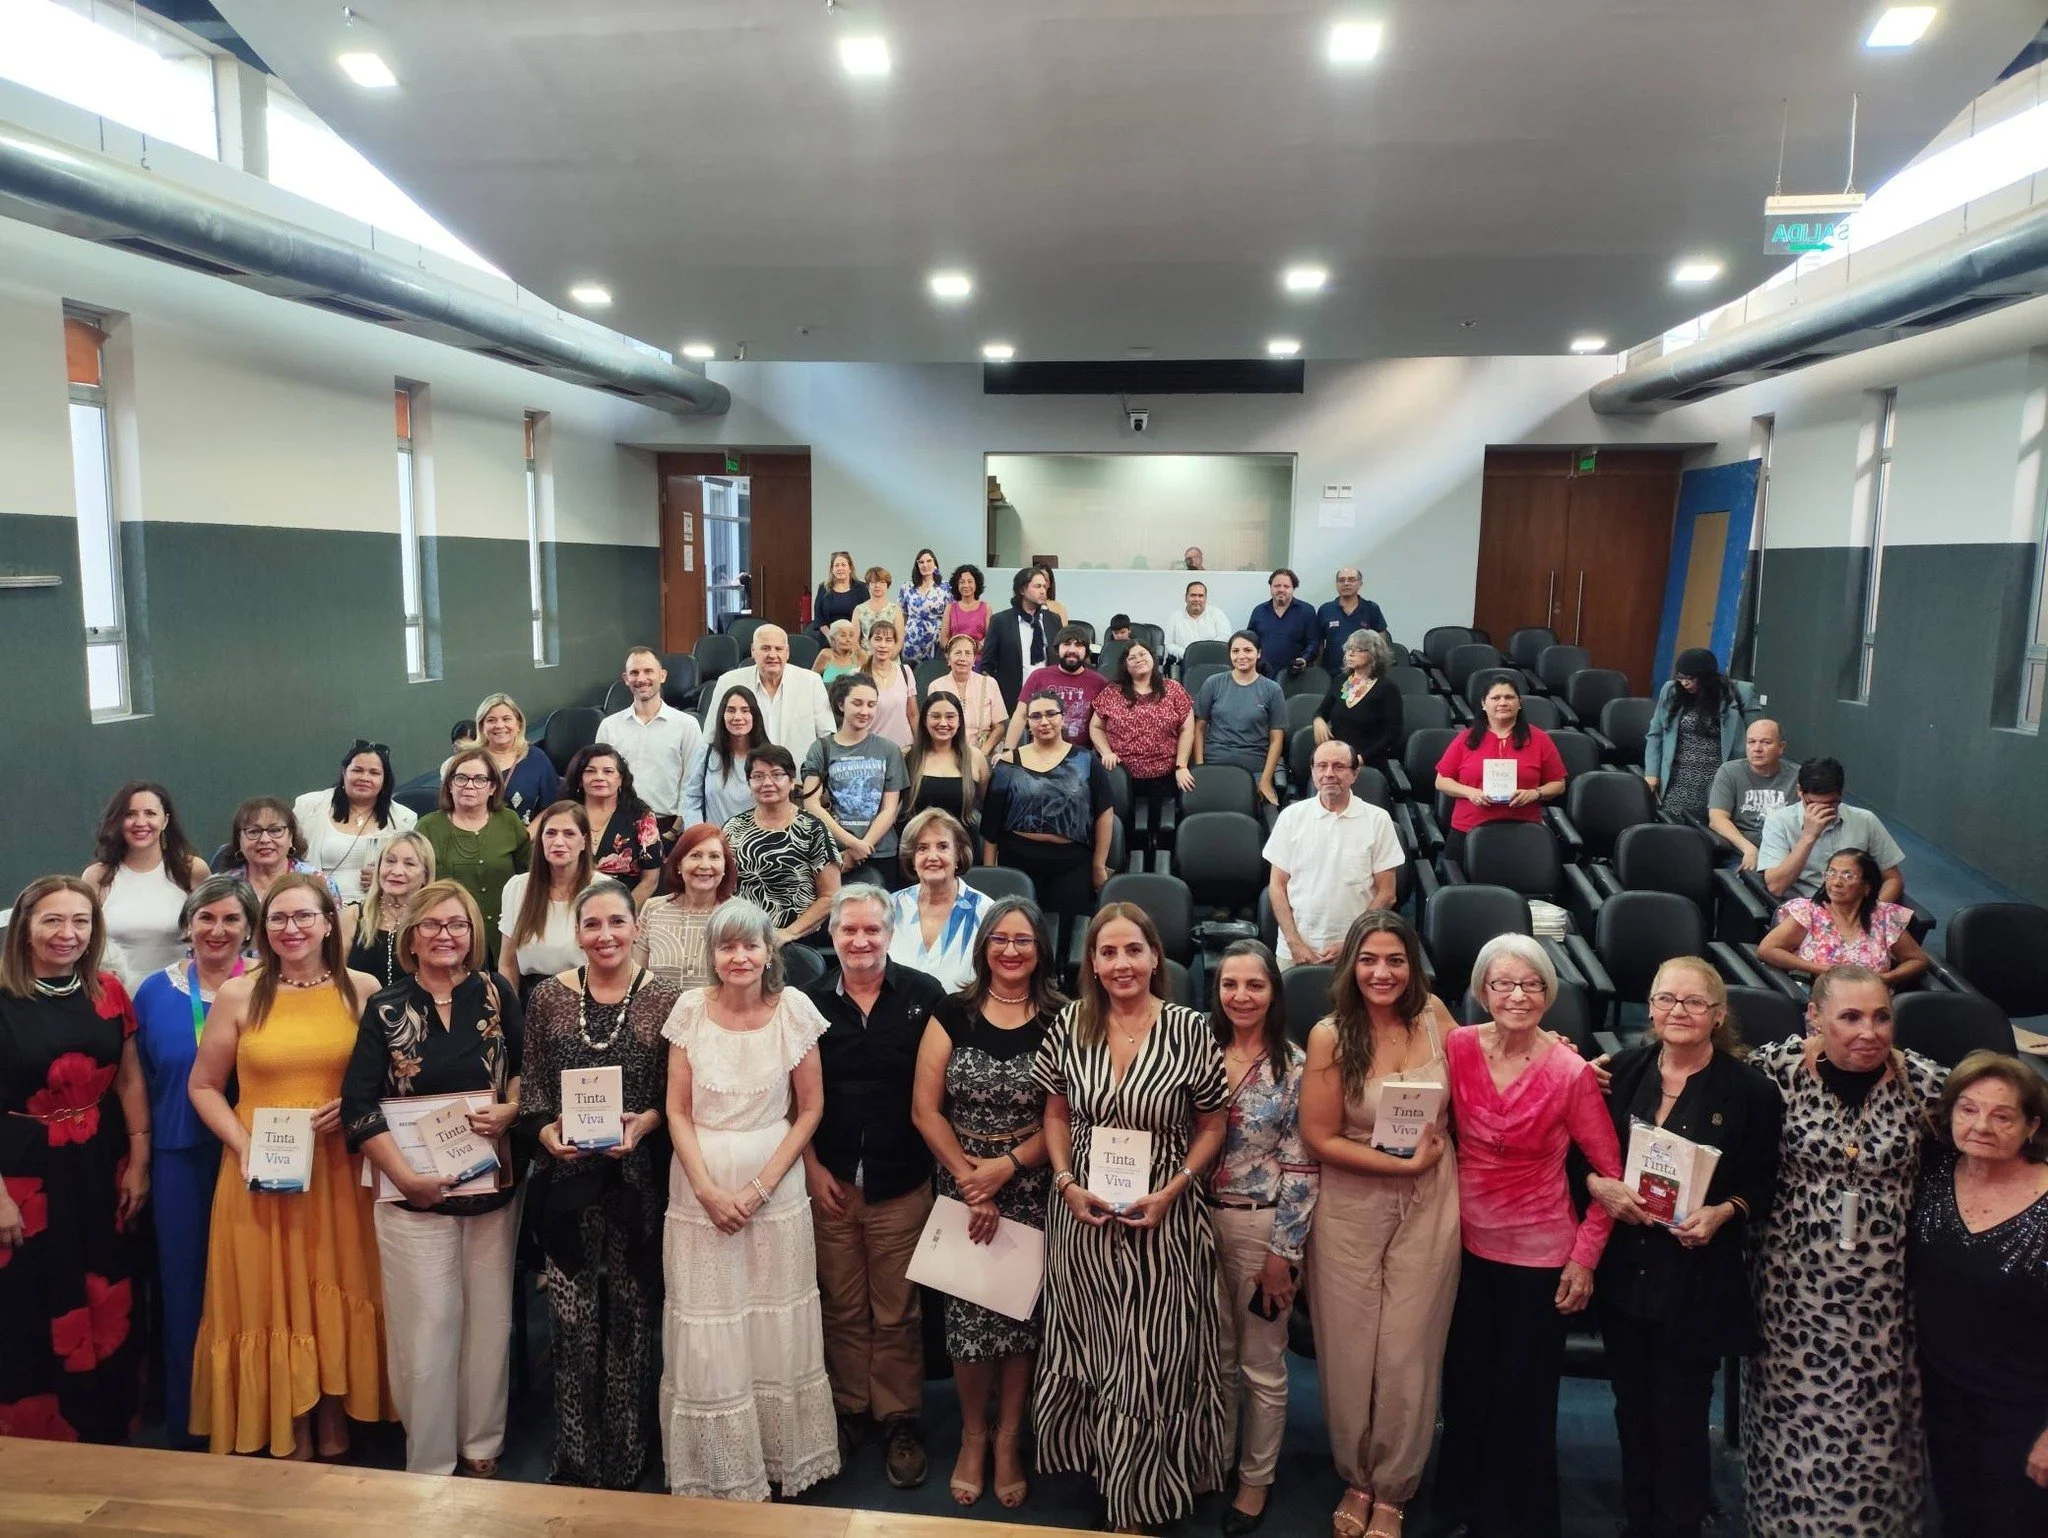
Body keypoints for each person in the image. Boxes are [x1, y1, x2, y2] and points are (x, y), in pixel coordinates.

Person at [1035, 903, 1229, 1531]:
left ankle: (1144, 1491)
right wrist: (1064, 1182)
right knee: (1095, 1343)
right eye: (1108, 952)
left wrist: (1174, 1189)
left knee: (1154, 1352)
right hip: (1083, 1215)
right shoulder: (1069, 1023)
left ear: (1154, 957)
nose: (1121, 964)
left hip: (1164, 1217)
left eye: (1132, 951)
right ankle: (1103, 1464)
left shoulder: (1190, 1028)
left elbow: (1212, 1123)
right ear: (1092, 962)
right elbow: (1057, 1112)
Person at [187, 875, 389, 1459]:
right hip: (260, 1173)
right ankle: (285, 1421)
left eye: (304, 916)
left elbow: (387, 1079)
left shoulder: (364, 989)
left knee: (336, 1284)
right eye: (278, 919)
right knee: (271, 1296)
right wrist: (242, 1143)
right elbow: (202, 1086)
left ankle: (333, 1414)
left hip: (339, 1173)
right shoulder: (239, 994)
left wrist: (354, 1110)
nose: (291, 928)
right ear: (263, 929)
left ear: (330, 922)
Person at [1583, 958, 1784, 1538]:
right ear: (1649, 1007)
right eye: (1667, 999)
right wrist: (1601, 1186)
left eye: (1695, 1002)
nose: (1679, 1012)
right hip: (1626, 1271)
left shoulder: (1750, 1092)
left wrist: (1724, 1213)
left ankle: (1677, 1525)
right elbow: (1582, 1158)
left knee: (1680, 1414)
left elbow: (1765, 1181)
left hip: (1694, 1277)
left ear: (1718, 1015)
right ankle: (1638, 1519)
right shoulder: (1619, 1072)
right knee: (1631, 1407)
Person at [1743, 964, 1944, 1538]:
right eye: (1850, 1017)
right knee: (1790, 1433)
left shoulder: (1923, 1084)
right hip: (1791, 1298)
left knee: (1879, 1437)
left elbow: (1998, 1115)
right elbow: (1687, 1079)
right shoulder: (1774, 1072)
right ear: (1815, 1017)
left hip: (1886, 1301)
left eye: (1881, 1016)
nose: (1869, 1031)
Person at [1433, 934, 1621, 1538]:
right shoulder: (1457, 1047)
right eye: (1503, 983)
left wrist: (1584, 1259)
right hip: (1460, 1251)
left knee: (1524, 1399)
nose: (1517, 995)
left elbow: (1610, 1176)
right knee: (1463, 1390)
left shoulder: (1570, 1071)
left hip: (1540, 1259)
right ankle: (1458, 1506)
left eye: (1531, 984)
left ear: (1549, 994)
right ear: (1482, 992)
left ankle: (1517, 1522)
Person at [342, 878, 524, 1477]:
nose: (446, 935)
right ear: (411, 939)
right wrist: (405, 1177)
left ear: (473, 935)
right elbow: (360, 1106)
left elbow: (526, 1073)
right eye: (433, 926)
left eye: (458, 925)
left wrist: (512, 1110)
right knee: (427, 1327)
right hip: (410, 1196)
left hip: (491, 1188)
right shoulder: (386, 1007)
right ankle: (430, 1460)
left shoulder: (498, 993)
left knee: (489, 1319)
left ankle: (481, 1442)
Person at [659, 897, 838, 1500]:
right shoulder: (688, 1009)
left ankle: (779, 1456)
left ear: (769, 952)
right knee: (710, 1316)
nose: (739, 956)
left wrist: (760, 1188)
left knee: (772, 1312)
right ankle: (720, 1466)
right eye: (727, 946)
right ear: (712, 955)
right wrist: (708, 1189)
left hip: (776, 1186)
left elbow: (810, 1108)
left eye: (750, 945)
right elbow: (676, 1111)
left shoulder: (795, 1010)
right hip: (698, 1185)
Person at [1300, 912, 1462, 1538]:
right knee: (1348, 1352)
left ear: (1412, 965)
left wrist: (1554, 1049)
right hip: (1350, 1206)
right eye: (1369, 959)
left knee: (1407, 1353)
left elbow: (1490, 1057)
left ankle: (1393, 1487)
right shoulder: (1330, 1035)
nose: (1382, 972)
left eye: (1395, 959)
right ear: (1351, 966)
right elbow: (1317, 1138)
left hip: (1429, 1201)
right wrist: (1395, 1166)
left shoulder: (1435, 1017)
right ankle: (1356, 1477)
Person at [520, 880, 679, 1489]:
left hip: (637, 1177)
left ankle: (629, 1452)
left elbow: (674, 1097)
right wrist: (544, 1132)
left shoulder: (668, 1000)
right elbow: (533, 1086)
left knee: (634, 1320)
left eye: (617, 922)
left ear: (637, 926)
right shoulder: (547, 1000)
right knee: (571, 1321)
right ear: (577, 932)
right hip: (566, 1177)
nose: (606, 935)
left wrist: (645, 1124)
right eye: (592, 924)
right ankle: (577, 1455)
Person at [910, 896, 1061, 1508]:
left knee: (1022, 1319)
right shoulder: (953, 1010)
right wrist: (971, 1179)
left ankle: (1008, 1439)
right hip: (961, 1180)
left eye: (1023, 940)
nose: (1010, 950)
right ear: (983, 946)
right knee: (969, 1323)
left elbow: (1069, 1116)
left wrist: (1006, 1169)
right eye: (999, 938)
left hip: (1031, 1180)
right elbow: (925, 1109)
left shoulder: (1063, 1017)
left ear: (1040, 950)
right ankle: (973, 1436)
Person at [800, 886, 947, 1485]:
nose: (861, 941)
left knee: (896, 1311)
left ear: (891, 934)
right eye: (848, 931)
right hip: (831, 1179)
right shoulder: (804, 1002)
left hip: (902, 1180)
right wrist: (810, 1169)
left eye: (873, 931)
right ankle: (849, 1407)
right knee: (840, 1304)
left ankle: (899, 1417)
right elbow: (794, 1099)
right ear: (832, 937)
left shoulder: (924, 996)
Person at [0, 876, 149, 1444]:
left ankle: (105, 1429)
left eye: (80, 922)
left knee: (104, 1292)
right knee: (29, 1303)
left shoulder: (109, 991)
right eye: (52, 921)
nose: (68, 934)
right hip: (23, 1176)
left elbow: (130, 1080)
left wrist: (139, 1162)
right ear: (25, 928)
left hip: (99, 1167)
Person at [130, 874, 254, 1449]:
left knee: (250, 1283)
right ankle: (190, 1419)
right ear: (188, 926)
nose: (218, 930)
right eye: (206, 918)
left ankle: (252, 1411)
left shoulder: (269, 985)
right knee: (184, 1288)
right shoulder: (155, 992)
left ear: (249, 928)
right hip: (181, 1156)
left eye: (231, 919)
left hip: (257, 1156)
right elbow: (138, 1082)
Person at [1909, 1051, 2048, 1538]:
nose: (1982, 1125)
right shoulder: (1932, 1173)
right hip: (1946, 1400)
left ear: (2032, 1125)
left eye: (2002, 1114)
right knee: (1958, 1518)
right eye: (1968, 1109)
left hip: (2027, 1413)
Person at [1207, 940, 1318, 1536]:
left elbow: (1303, 1166)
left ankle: (1255, 1480)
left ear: (1274, 993)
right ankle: (1217, 1461)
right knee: (1215, 1355)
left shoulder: (1294, 1066)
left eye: (1254, 985)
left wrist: (1285, 1253)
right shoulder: (1194, 1051)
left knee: (1261, 1363)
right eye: (1230, 984)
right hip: (1194, 1225)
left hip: (1260, 1224)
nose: (1241, 996)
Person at [981, 689, 1115, 950]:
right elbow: (991, 824)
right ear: (1028, 722)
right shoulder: (1009, 762)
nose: (1044, 721)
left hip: (1071, 863)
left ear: (1063, 718)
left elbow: (1104, 813)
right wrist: (990, 872)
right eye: (1036, 716)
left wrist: (1099, 866)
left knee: (1067, 939)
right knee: (1020, 936)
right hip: (1018, 860)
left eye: (1051, 714)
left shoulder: (1086, 760)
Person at [1264, 741, 1404, 968]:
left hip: (1357, 950)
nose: (1329, 773)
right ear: (1312, 772)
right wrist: (1295, 942)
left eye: (1339, 766)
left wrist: (1351, 942)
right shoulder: (1291, 817)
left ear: (1355, 773)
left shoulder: (1378, 820)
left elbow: (1387, 894)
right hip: (1295, 950)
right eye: (1321, 766)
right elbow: (1277, 886)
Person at [84, 779, 211, 987]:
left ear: (165, 821)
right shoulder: (97, 876)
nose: (140, 822)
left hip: (178, 994)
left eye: (150, 813)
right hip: (117, 996)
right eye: (130, 814)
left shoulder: (192, 870)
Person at [1432, 676, 1568, 866]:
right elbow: (1441, 781)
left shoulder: (1540, 739)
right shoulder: (1466, 738)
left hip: (1523, 829)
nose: (1503, 702)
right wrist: (1470, 792)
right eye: (1495, 698)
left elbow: (1559, 784)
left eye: (1509, 697)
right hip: (1468, 828)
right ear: (1483, 704)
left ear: (1519, 703)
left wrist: (1535, 793)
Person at [1757, 847, 1930, 987]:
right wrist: (1821, 970)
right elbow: (1767, 950)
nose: (1836, 882)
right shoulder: (1808, 912)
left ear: (1867, 886)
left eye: (1847, 876)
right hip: (1818, 996)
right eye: (1831, 873)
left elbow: (1917, 960)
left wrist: (1887, 978)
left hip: (1871, 1001)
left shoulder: (1884, 916)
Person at [1088, 638, 1194, 862]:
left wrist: (1182, 765)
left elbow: (1187, 730)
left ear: (1153, 659)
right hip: (1121, 775)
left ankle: (1158, 868)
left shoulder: (1173, 689)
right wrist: (1106, 751)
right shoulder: (1112, 692)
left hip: (1164, 775)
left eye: (1143, 654)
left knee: (1161, 831)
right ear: (1125, 665)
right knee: (1124, 833)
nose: (1138, 660)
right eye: (1132, 657)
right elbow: (1096, 727)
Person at [803, 674, 911, 890]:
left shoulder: (889, 750)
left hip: (881, 853)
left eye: (872, 705)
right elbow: (811, 804)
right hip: (834, 853)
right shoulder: (821, 748)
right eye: (857, 703)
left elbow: (890, 809)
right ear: (841, 704)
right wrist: (853, 845)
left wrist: (863, 848)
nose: (865, 711)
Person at [725, 746, 842, 943]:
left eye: (777, 775)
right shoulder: (734, 827)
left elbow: (830, 895)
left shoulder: (811, 828)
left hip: (798, 940)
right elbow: (722, 888)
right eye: (758, 776)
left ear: (791, 781)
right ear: (749, 783)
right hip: (742, 937)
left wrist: (787, 934)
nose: (767, 783)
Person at [1757, 756, 1907, 902]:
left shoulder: (1865, 820)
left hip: (1855, 907)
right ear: (1799, 791)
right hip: (1807, 908)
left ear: (1840, 795)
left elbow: (1893, 879)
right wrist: (1809, 837)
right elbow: (1776, 887)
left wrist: (1872, 914)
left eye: (1830, 804)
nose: (1821, 811)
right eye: (1812, 804)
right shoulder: (1779, 822)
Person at [418, 750, 531, 937]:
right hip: (450, 935)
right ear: (450, 785)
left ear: (492, 788)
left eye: (479, 779)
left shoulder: (510, 821)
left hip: (506, 934)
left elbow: (529, 875)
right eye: (461, 778)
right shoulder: (428, 827)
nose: (469, 786)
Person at [292, 743, 419, 902]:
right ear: (344, 772)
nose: (364, 778)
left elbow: (413, 872)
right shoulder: (309, 806)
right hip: (317, 903)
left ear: (384, 780)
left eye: (374, 773)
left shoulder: (404, 819)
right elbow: (289, 859)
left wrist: (386, 878)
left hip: (377, 907)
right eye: (357, 770)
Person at [1641, 648, 1756, 821]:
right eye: (1681, 677)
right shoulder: (1671, 691)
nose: (1685, 683)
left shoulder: (1739, 693)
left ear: (1707, 677)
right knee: (1673, 828)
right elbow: (1655, 734)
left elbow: (1759, 734)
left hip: (1718, 780)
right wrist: (1652, 772)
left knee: (1714, 831)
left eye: (1691, 678)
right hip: (1678, 779)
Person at [887, 809, 992, 989]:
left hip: (964, 1013)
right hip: (898, 1014)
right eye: (922, 848)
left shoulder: (986, 911)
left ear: (958, 855)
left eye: (943, 846)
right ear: (912, 859)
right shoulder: (889, 907)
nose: (932, 857)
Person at [594, 649, 703, 823]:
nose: (641, 679)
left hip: (667, 824)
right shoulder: (609, 726)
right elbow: (600, 781)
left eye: (648, 671)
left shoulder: (687, 725)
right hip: (619, 822)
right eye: (634, 673)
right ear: (625, 679)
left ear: (662, 676)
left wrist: (676, 829)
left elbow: (692, 782)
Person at [497, 801, 594, 995]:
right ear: (540, 840)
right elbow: (508, 963)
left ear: (583, 841)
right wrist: (511, 1013)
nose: (558, 842)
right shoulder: (517, 887)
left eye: (569, 833)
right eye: (551, 833)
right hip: (530, 1000)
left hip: (587, 997)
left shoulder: (603, 889)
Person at [702, 624, 837, 754]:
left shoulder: (811, 682)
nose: (772, 655)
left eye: (778, 649)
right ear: (753, 651)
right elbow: (710, 737)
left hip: (799, 775)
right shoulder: (728, 682)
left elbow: (827, 737)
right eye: (765, 648)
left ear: (787, 652)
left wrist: (815, 775)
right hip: (744, 775)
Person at [636, 822, 738, 991]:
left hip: (719, 1015)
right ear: (678, 865)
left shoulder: (739, 914)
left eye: (714, 856)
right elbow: (638, 978)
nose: (705, 865)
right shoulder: (653, 909)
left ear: (725, 866)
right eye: (695, 855)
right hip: (659, 1014)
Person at [1195, 631, 1287, 806]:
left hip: (1254, 770)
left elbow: (1277, 740)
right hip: (1214, 766)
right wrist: (1200, 768)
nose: (1241, 656)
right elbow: (1198, 727)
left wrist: (1266, 780)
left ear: (1258, 653)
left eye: (1248, 650)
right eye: (1235, 651)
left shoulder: (1272, 689)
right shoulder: (1213, 683)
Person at [564, 744, 663, 904]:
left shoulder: (640, 815)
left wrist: (621, 914)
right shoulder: (565, 814)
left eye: (608, 771)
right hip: (569, 905)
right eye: (590, 771)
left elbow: (650, 881)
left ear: (621, 779)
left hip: (623, 908)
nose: (599, 777)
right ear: (580, 780)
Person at [343, 831, 435, 991]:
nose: (397, 871)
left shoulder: (435, 922)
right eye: (390, 861)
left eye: (409, 864)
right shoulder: (352, 916)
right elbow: (334, 978)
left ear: (425, 876)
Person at [1706, 717, 1799, 871]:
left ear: (1781, 747)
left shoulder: (1798, 776)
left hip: (1784, 850)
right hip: (1740, 850)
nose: (1757, 748)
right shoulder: (1730, 771)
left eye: (1766, 742)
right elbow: (1717, 819)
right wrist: (1748, 848)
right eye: (1751, 742)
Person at [219, 796, 344, 905]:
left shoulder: (320, 884)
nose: (265, 839)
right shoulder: (221, 886)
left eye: (275, 830)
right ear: (238, 840)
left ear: (291, 837)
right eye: (254, 832)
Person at [1003, 624, 1107, 753]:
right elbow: (1020, 715)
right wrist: (1007, 750)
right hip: (1040, 751)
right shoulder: (1039, 676)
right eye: (1066, 644)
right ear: (1057, 649)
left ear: (1086, 652)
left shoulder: (1100, 682)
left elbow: (1102, 726)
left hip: (1080, 756)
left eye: (1079, 645)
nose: (1072, 650)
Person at [1314, 629, 1402, 771]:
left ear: (1374, 655)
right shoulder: (1342, 681)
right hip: (1338, 759)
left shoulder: (1387, 689)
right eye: (1348, 649)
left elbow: (1391, 734)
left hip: (1369, 763)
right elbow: (1322, 711)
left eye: (1358, 650)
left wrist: (1362, 758)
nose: (1350, 653)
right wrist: (1318, 720)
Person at [685, 684, 769, 828]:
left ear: (754, 715)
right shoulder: (706, 753)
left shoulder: (769, 757)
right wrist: (700, 835)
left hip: (757, 845)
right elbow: (692, 799)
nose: (737, 717)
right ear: (722, 716)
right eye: (731, 710)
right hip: (714, 844)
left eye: (745, 710)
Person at [977, 565, 1060, 710]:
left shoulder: (1053, 620)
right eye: (1037, 586)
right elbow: (987, 665)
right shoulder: (1000, 621)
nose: (1043, 591)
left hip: (1047, 699)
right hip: (1012, 700)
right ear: (1022, 590)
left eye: (1045, 587)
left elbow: (1058, 658)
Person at [470, 694, 562, 821]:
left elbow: (552, 807)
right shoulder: (468, 760)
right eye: (491, 720)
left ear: (518, 724)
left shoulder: (537, 759)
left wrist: (525, 836)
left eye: (506, 719)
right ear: (481, 727)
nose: (499, 725)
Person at [906, 689, 989, 827]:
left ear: (960, 721)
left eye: (950, 717)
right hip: (921, 844)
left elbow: (989, 810)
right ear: (925, 721)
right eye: (936, 716)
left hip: (965, 844)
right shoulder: (911, 757)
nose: (943, 723)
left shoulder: (975, 757)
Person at [932, 633, 1009, 757]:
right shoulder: (936, 686)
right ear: (948, 657)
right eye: (957, 653)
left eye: (968, 653)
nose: (962, 658)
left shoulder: (989, 683)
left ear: (974, 659)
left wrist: (983, 752)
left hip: (983, 753)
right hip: (948, 753)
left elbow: (999, 727)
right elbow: (934, 726)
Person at [1246, 567, 1321, 679]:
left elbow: (1314, 642)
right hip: (1262, 676)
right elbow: (1250, 641)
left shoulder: (1307, 611)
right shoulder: (1259, 611)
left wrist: (1304, 659)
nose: (1281, 589)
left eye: (1286, 586)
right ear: (1271, 587)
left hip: (1295, 677)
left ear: (1293, 589)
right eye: (1277, 586)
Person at [1317, 566, 1391, 669]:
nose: (1346, 583)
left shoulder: (1371, 608)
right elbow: (1319, 643)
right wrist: (1317, 670)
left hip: (1363, 673)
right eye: (1341, 580)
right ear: (1336, 584)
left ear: (1360, 584)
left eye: (1351, 580)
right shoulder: (1325, 610)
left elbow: (1380, 641)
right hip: (1331, 673)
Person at [864, 617, 920, 749]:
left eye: (888, 640)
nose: (883, 645)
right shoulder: (858, 674)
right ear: (869, 642)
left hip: (904, 748)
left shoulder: (905, 671)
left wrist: (920, 748)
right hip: (871, 750)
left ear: (895, 644)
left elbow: (913, 714)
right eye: (878, 639)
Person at [1165, 579, 1233, 666]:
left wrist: (1205, 652)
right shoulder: (1175, 617)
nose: (1197, 599)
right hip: (1185, 663)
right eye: (1193, 595)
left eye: (1200, 596)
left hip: (1213, 662)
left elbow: (1225, 637)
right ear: (1186, 597)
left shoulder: (1217, 614)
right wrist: (1188, 654)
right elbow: (1169, 644)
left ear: (1205, 598)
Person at [899, 547, 948, 664]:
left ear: (935, 564)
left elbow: (950, 615)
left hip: (934, 640)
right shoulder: (907, 587)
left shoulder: (945, 587)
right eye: (921, 562)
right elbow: (902, 615)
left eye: (929, 561)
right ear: (917, 566)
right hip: (911, 639)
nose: (925, 565)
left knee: (931, 674)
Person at [939, 563, 993, 654]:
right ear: (957, 585)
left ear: (976, 584)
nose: (966, 585)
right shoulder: (950, 608)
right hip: (954, 658)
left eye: (970, 581)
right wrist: (954, 652)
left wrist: (972, 651)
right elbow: (943, 639)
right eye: (962, 582)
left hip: (978, 657)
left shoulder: (986, 607)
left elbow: (990, 636)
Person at [853, 566, 905, 654]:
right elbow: (854, 640)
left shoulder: (896, 610)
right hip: (865, 659)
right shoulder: (859, 609)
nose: (877, 586)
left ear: (887, 585)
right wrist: (865, 660)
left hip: (890, 659)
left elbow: (900, 641)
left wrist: (888, 659)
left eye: (882, 582)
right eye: (873, 582)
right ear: (868, 585)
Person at [813, 550, 862, 641]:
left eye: (843, 565)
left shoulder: (861, 588)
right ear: (832, 569)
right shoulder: (823, 588)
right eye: (836, 565)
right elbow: (819, 617)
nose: (840, 568)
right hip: (828, 640)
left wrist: (851, 638)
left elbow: (865, 616)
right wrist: (830, 636)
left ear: (850, 568)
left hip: (854, 640)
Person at [816, 619, 867, 683]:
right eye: (843, 635)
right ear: (833, 639)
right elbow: (810, 679)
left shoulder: (860, 655)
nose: (848, 639)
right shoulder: (826, 654)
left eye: (851, 635)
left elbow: (870, 682)